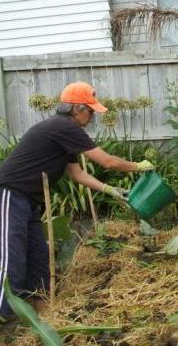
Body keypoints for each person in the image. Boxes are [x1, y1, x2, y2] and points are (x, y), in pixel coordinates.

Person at [0, 81, 155, 321]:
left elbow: (76, 173)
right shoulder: (62, 127)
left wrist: (109, 189)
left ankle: (44, 316)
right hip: (9, 194)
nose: (93, 116)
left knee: (39, 257)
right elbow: (108, 162)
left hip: (29, 201)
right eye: (90, 111)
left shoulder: (65, 132)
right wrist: (137, 167)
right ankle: (5, 319)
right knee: (12, 258)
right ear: (76, 108)